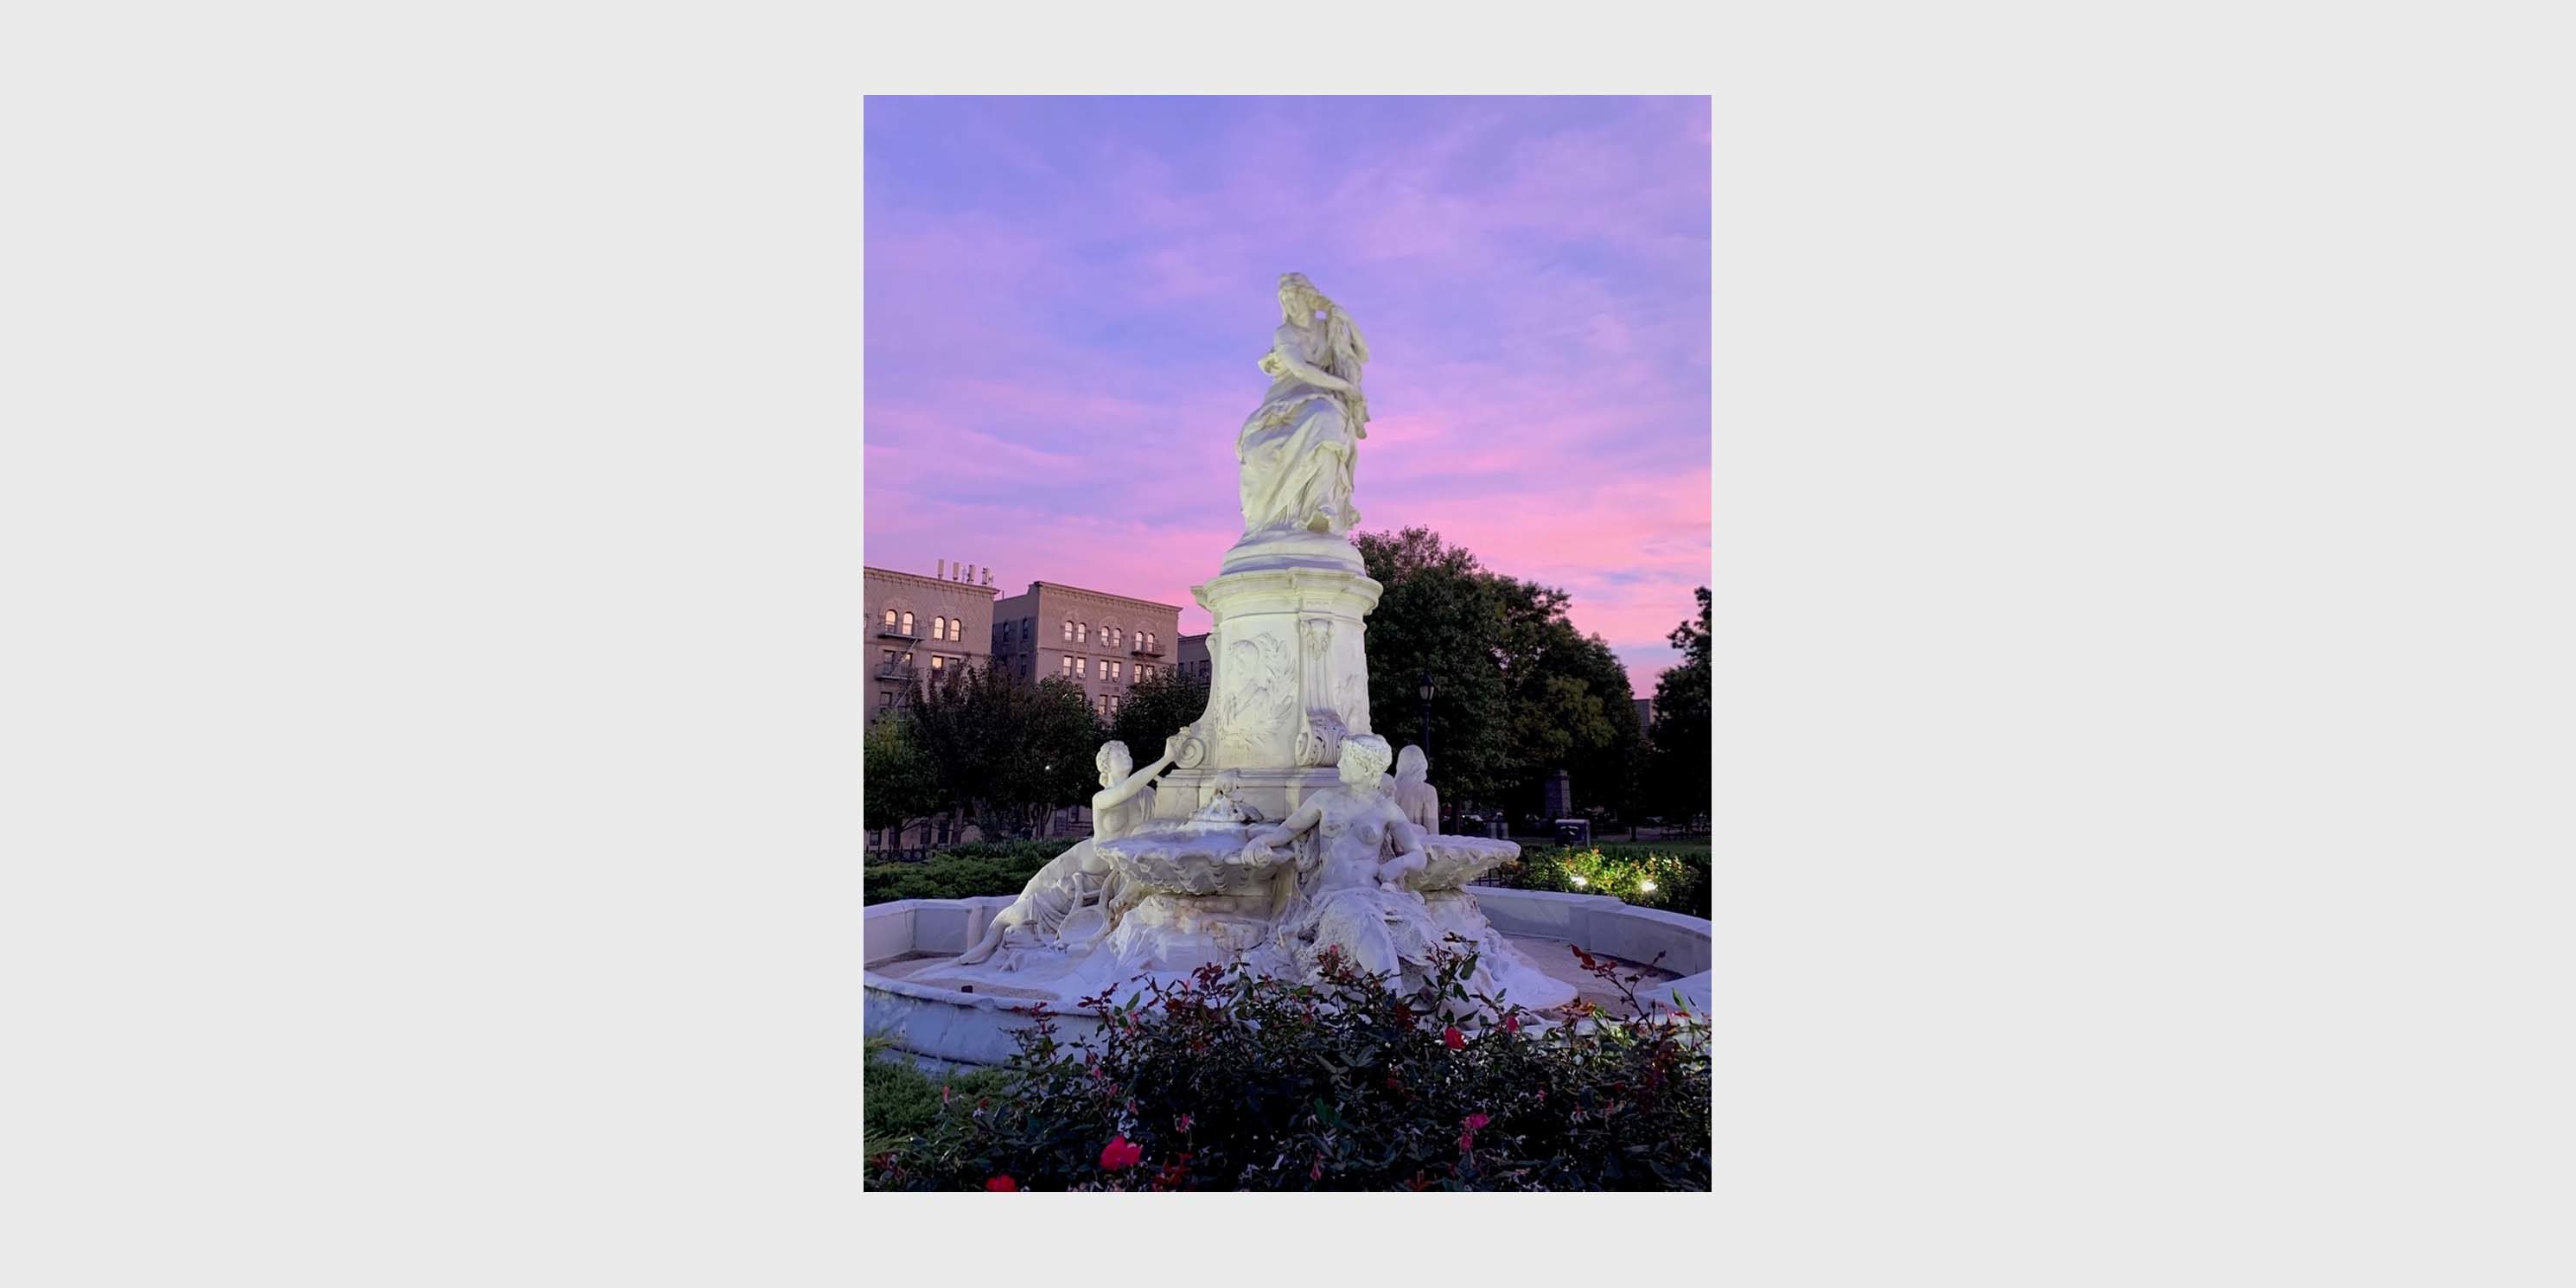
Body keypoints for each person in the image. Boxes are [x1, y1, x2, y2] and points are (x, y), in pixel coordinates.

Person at [954, 732, 1183, 965]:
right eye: (1118, 754)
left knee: (1041, 902)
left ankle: (1006, 933)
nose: (1126, 757)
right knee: (1035, 891)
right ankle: (997, 934)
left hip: (1117, 867)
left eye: (1126, 753)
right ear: (1105, 765)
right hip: (1088, 861)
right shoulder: (1102, 798)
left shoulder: (1145, 794)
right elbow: (1125, 792)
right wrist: (1166, 760)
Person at [1236, 273, 1370, 538]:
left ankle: (1320, 505)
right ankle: (1282, 515)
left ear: (1308, 298)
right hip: (1289, 399)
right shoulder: (1285, 333)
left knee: (1328, 418)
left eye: (1294, 296)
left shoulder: (1326, 329)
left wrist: (1343, 317)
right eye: (1284, 299)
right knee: (1323, 415)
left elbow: (1363, 354)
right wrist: (1344, 387)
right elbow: (1299, 369)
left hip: (1322, 400)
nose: (1290, 303)